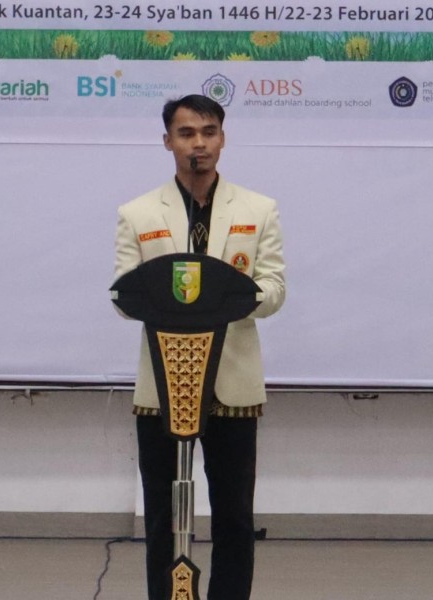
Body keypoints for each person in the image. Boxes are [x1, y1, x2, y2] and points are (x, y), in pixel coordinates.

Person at [113, 94, 285, 600]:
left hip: (232, 383)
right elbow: (124, 296)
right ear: (167, 141)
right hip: (162, 388)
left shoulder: (258, 209)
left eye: (209, 132)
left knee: (234, 515)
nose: (199, 144)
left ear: (223, 139)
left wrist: (227, 299)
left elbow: (274, 289)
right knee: (162, 515)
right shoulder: (138, 213)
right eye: (186, 133)